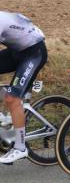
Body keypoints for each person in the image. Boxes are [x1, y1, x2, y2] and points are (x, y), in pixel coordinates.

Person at [0, 11, 47, 164]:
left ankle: (20, 148)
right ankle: (4, 117)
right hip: (17, 51)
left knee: (12, 99)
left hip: (34, 54)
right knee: (10, 98)